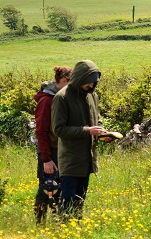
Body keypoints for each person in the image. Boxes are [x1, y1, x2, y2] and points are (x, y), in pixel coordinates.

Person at [51, 60, 110, 219]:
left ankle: (75, 231)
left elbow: (96, 119)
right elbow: (58, 129)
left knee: (80, 201)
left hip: (87, 160)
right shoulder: (61, 98)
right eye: (88, 82)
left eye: (93, 83)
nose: (91, 86)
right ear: (79, 78)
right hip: (71, 160)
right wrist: (88, 131)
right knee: (68, 201)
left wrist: (102, 133)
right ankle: (63, 230)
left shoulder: (92, 95)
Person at [34, 65, 72, 224]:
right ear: (63, 81)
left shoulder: (59, 98)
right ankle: (39, 224)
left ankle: (57, 222)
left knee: (59, 189)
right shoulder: (46, 100)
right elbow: (41, 131)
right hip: (49, 151)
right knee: (47, 188)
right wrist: (47, 159)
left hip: (59, 150)